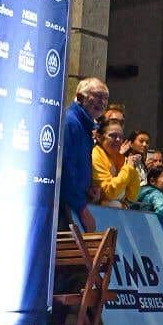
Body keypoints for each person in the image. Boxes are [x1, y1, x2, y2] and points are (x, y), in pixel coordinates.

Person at [60, 78, 109, 231]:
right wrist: (82, 209)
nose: (102, 102)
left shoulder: (84, 125)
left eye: (105, 98)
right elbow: (65, 170)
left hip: (73, 204)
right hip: (65, 208)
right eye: (98, 96)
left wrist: (88, 188)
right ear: (80, 97)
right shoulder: (70, 122)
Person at [91, 117, 142, 206]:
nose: (118, 140)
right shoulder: (96, 154)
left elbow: (132, 196)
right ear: (99, 137)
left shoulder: (118, 157)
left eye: (121, 137)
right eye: (113, 136)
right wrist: (129, 167)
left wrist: (132, 168)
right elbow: (109, 193)